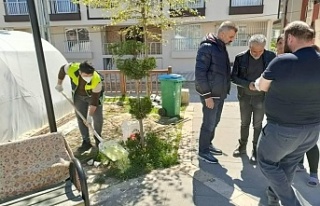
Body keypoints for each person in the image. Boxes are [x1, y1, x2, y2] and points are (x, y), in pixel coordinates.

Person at [255, 21, 320, 206]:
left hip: (283, 129)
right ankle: (273, 195)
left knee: (266, 162)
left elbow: (263, 86)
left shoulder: (283, 61)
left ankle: (290, 201)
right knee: (288, 164)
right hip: (312, 130)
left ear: (290, 38)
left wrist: (258, 82)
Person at [276, 34, 320, 187]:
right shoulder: (282, 61)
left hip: (310, 112)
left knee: (311, 143)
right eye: (279, 43)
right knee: (294, 143)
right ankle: (298, 164)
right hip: (289, 112)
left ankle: (313, 173)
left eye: (284, 43)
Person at [195, 21, 238, 164]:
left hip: (219, 94)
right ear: (222, 33)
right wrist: (207, 95)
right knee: (208, 123)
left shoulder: (221, 47)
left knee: (215, 121)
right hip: (210, 96)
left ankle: (208, 144)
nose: (232, 39)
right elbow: (200, 74)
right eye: (231, 36)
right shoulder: (207, 47)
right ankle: (203, 151)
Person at [231, 34, 276, 164]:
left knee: (257, 125)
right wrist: (247, 84)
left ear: (264, 48)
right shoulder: (240, 58)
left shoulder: (270, 57)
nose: (257, 54)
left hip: (261, 98)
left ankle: (255, 150)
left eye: (260, 51)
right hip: (244, 97)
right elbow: (233, 77)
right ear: (249, 46)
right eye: (254, 51)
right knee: (244, 123)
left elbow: (274, 76)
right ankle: (242, 147)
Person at [55, 61, 104, 151]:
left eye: (90, 75)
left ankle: (98, 140)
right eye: (86, 75)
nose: (88, 78)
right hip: (78, 96)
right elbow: (62, 70)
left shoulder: (97, 80)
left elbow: (94, 102)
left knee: (97, 118)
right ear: (80, 72)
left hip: (92, 96)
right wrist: (59, 84)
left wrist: (89, 117)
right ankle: (86, 141)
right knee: (81, 118)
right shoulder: (72, 68)